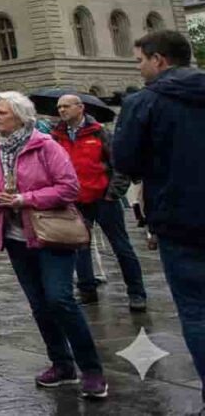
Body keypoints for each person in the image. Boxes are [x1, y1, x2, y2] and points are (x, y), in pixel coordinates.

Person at [0, 91, 108, 400]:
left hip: (52, 234)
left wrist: (26, 199)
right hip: (15, 238)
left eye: (1, 112)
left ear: (20, 116)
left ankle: (92, 370)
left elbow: (69, 188)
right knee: (38, 304)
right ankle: (62, 365)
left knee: (59, 299)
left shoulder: (45, 145)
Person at [113, 29, 205, 409]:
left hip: (179, 219)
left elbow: (126, 161)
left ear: (159, 60)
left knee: (197, 310)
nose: (139, 68)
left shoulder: (144, 102)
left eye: (140, 60)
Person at [50, 94, 146, 311]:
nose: (62, 110)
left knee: (121, 247)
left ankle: (136, 292)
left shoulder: (99, 132)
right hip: (75, 201)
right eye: (59, 107)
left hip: (104, 199)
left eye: (66, 106)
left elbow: (120, 164)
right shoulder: (56, 136)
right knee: (79, 247)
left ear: (80, 108)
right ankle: (87, 289)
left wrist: (113, 193)